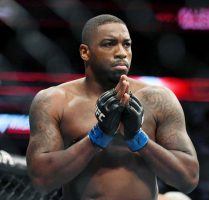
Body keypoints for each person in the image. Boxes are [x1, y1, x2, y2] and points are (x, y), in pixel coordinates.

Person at [26, 14, 199, 200]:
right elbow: (41, 179)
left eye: (127, 44)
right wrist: (98, 136)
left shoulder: (158, 99)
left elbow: (188, 178)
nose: (122, 53)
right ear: (85, 52)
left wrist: (137, 138)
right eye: (109, 44)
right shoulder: (54, 101)